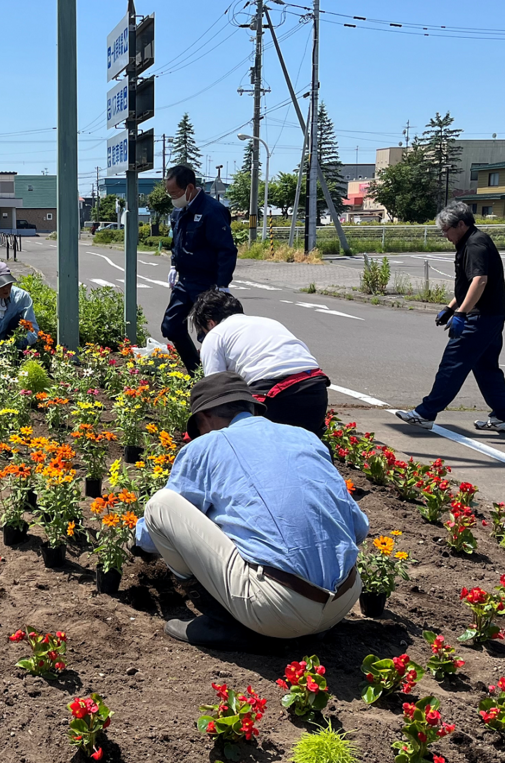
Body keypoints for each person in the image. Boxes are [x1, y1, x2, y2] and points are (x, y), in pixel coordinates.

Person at [137, 372, 368, 647]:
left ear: (205, 418)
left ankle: (225, 623)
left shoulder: (208, 445)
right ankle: (305, 622)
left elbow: (154, 534)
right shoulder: (305, 438)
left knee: (160, 506)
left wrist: (135, 540)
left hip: (275, 610)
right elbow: (359, 528)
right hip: (343, 600)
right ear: (252, 409)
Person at [395, 203, 505, 432]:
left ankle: (425, 413)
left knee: (453, 363)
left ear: (461, 224)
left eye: (447, 229)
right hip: (491, 314)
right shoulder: (471, 240)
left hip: (480, 317)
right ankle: (503, 417)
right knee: (486, 367)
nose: (444, 234)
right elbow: (468, 285)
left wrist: (461, 313)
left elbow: (479, 281)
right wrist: (450, 307)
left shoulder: (475, 245)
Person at [190, 289, 330, 437]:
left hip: (276, 395)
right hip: (316, 389)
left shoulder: (216, 334)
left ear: (210, 323)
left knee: (248, 443)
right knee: (305, 448)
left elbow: (216, 391)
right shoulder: (270, 322)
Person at [162, 164, 238, 374]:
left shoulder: (212, 211)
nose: (173, 198)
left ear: (189, 188)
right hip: (185, 280)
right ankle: (195, 371)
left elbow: (226, 250)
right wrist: (174, 265)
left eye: (175, 193)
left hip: (208, 283)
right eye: (169, 193)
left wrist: (222, 286)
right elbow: (176, 242)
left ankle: (217, 378)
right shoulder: (178, 212)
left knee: (210, 333)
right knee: (171, 326)